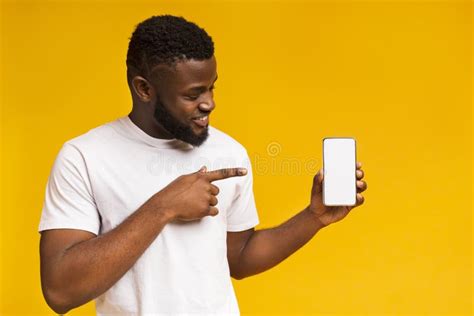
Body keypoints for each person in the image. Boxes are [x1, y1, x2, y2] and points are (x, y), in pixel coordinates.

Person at [38, 15, 367, 315]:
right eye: (193, 94)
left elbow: (238, 258)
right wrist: (163, 207)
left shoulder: (228, 152)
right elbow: (60, 291)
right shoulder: (83, 157)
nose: (209, 102)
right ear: (144, 89)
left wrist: (314, 218)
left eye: (211, 87)